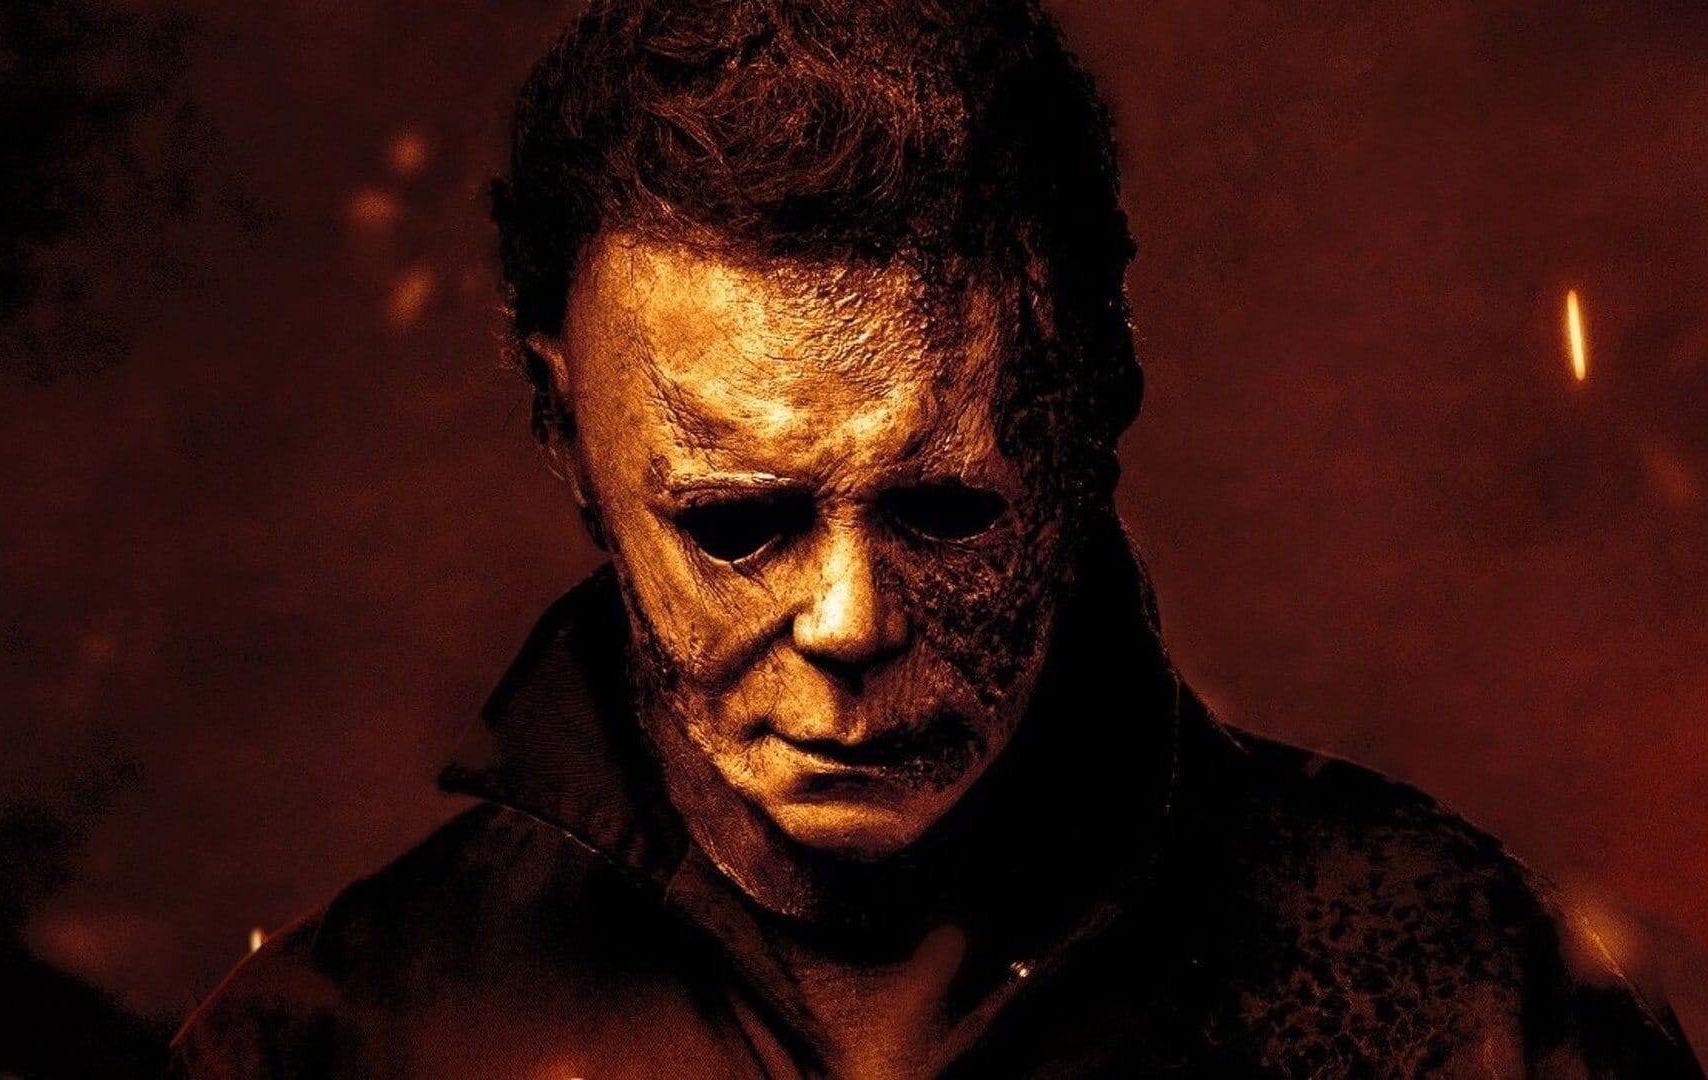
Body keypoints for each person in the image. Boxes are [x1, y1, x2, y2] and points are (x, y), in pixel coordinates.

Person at [170, 0, 1703, 1075]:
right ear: (564, 428)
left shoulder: (1465, 1005)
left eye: (945, 508)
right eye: (736, 523)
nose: (851, 620)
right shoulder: (332, 1046)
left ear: (1092, 408)